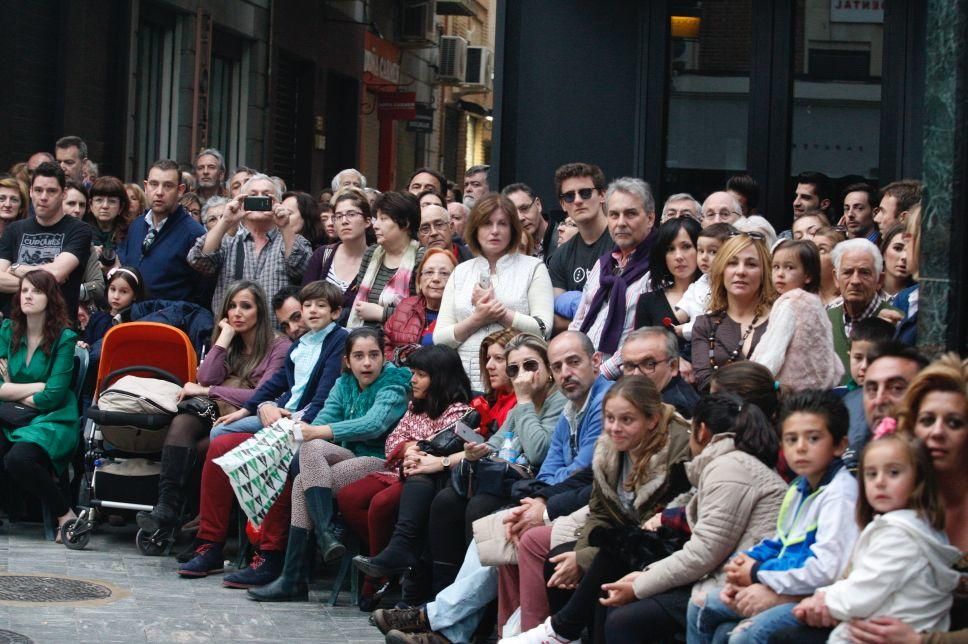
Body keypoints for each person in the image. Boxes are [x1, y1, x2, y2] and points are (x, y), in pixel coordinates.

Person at [500, 375, 692, 644]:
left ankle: (560, 631)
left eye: (627, 420)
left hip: (666, 547)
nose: (614, 428)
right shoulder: (609, 449)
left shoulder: (678, 453)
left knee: (603, 574)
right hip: (624, 540)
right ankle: (564, 635)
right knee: (558, 562)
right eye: (609, 418)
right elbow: (600, 511)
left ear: (652, 420)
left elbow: (657, 527)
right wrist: (579, 556)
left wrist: (585, 559)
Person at [598, 393, 787, 643]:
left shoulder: (729, 468)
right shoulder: (730, 463)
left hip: (734, 584)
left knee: (626, 619)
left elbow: (704, 552)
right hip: (724, 575)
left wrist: (640, 584)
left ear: (702, 431)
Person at [245, 328, 412, 597]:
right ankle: (324, 534)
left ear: (384, 357)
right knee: (310, 452)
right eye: (359, 356)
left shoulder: (394, 384)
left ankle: (294, 578)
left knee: (302, 481)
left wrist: (317, 432)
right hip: (345, 458)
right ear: (347, 360)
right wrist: (314, 431)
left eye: (373, 355)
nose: (367, 363)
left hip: (380, 461)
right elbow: (323, 420)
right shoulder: (343, 383)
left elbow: (373, 424)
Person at [688, 390, 859, 644]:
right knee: (703, 605)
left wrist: (758, 573)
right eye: (791, 439)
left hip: (814, 594)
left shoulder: (840, 494)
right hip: (783, 581)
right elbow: (782, 541)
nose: (800, 448)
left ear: (839, 445)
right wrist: (744, 562)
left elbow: (824, 570)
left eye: (813, 438)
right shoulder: (800, 487)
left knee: (743, 636)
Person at [135, 280, 290, 535]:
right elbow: (206, 377)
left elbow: (260, 395)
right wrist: (224, 338)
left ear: (260, 311)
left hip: (250, 415)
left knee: (201, 448)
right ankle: (166, 506)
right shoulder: (232, 341)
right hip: (217, 410)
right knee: (182, 422)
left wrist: (208, 391)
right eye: (232, 306)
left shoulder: (278, 346)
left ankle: (196, 515)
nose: (237, 313)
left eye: (246, 306)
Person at [427, 333, 568, 591]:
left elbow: (539, 452)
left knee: (479, 507)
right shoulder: (519, 408)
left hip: (535, 487)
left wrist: (524, 400)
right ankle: (441, 591)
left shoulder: (559, 402)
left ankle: (477, 613)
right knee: (445, 502)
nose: (522, 375)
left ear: (548, 369)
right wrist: (475, 451)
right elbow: (495, 444)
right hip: (507, 479)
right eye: (514, 369)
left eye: (530, 365)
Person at [792, 432, 959, 643]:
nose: (880, 482)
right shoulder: (918, 526)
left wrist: (823, 600)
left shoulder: (899, 535)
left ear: (918, 479)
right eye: (871, 474)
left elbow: (864, 592)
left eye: (894, 472)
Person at [343, 346, 473, 593]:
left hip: (422, 477)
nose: (412, 379)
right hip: (399, 469)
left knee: (381, 505)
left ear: (441, 377)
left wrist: (414, 449)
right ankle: (390, 562)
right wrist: (409, 448)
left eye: (421, 374)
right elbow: (392, 440)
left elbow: (438, 447)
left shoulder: (460, 412)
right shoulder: (416, 406)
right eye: (413, 372)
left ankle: (378, 576)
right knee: (348, 497)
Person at [434, 193, 553, 391]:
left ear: (513, 229)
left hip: (517, 385)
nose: (495, 231)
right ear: (475, 228)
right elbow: (440, 338)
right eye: (487, 223)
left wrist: (501, 313)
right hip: (463, 384)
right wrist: (477, 319)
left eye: (503, 224)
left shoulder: (533, 268)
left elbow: (542, 329)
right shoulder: (461, 272)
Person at [209, 281, 347, 440]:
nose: (313, 310)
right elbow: (275, 383)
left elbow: (325, 393)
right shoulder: (299, 344)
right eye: (308, 306)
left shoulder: (339, 339)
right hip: (284, 413)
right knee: (219, 430)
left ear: (335, 313)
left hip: (306, 421)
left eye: (321, 305)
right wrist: (244, 411)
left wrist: (304, 425)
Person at [0, 271, 80, 542]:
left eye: (36, 291)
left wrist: (11, 390)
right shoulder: (7, 330)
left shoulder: (65, 338)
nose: (28, 296)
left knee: (18, 459)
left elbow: (54, 396)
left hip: (52, 418)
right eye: (24, 291)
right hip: (13, 414)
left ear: (51, 297)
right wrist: (36, 386)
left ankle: (65, 514)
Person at [188, 173, 312, 322]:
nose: (259, 198)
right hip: (231, 337)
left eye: (266, 195)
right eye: (253, 195)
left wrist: (285, 225)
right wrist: (225, 221)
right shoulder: (228, 241)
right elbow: (198, 260)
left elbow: (302, 269)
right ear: (242, 202)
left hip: (278, 338)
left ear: (278, 203)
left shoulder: (291, 239)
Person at [570, 177, 659, 370]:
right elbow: (579, 320)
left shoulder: (658, 268)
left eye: (630, 214)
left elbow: (646, 339)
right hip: (583, 372)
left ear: (650, 218)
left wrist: (602, 372)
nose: (621, 223)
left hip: (624, 378)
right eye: (614, 215)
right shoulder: (603, 264)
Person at [0, 162, 92, 321]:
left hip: (57, 331)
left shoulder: (79, 230)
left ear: (63, 194)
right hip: (15, 328)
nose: (43, 197)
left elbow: (56, 273)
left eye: (51, 191)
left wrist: (15, 267)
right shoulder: (14, 230)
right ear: (30, 192)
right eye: (38, 190)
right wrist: (47, 283)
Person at [751, 239, 843, 390]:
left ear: (808, 275)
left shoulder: (790, 303)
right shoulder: (814, 302)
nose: (780, 274)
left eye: (789, 267)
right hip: (819, 389)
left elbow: (773, 351)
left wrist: (754, 381)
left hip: (792, 390)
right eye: (776, 267)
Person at [690, 233, 774, 392]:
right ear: (721, 270)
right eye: (732, 263)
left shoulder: (781, 319)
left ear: (764, 273)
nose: (741, 271)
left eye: (751, 264)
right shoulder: (705, 325)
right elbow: (705, 382)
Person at [118, 159, 207, 304]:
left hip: (168, 321)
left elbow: (202, 293)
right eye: (154, 184)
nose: (159, 192)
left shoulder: (194, 233)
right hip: (131, 318)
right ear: (146, 187)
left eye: (168, 186)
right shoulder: (136, 225)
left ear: (180, 190)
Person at [547, 163, 613, 331]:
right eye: (569, 196)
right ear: (563, 204)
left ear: (602, 195)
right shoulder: (560, 255)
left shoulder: (621, 241)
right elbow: (553, 319)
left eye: (585, 193)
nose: (577, 200)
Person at [827, 238, 902, 384]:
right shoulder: (825, 321)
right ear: (836, 279)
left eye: (864, 273)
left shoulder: (897, 323)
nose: (855, 281)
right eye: (848, 272)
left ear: (880, 280)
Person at [347, 192, 425, 329]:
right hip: (362, 335)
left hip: (398, 339)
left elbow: (423, 311)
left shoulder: (421, 258)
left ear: (405, 223)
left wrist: (383, 313)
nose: (375, 225)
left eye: (383, 219)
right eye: (376, 218)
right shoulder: (372, 253)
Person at [633, 216, 702, 369]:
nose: (678, 256)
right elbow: (640, 353)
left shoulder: (718, 297)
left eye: (686, 246)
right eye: (670, 249)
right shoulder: (648, 301)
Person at [302, 187, 372, 317]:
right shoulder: (322, 255)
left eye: (351, 214)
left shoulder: (376, 261)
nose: (344, 221)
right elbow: (305, 299)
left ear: (367, 221)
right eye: (338, 216)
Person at [383, 248, 457, 364]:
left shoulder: (461, 312)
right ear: (419, 281)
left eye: (444, 273)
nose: (436, 279)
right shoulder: (405, 306)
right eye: (429, 272)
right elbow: (384, 345)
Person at [618, 327, 699, 418]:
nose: (636, 374)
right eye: (629, 366)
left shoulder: (676, 411)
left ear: (673, 366)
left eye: (649, 364)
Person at [674, 223, 734, 342]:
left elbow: (716, 324)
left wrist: (685, 329)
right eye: (701, 251)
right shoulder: (698, 285)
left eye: (712, 252)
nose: (704, 257)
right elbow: (681, 314)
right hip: (691, 343)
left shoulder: (729, 289)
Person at [80, 267, 147, 364]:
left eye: (124, 292)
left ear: (135, 295)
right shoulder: (97, 317)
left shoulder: (133, 322)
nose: (116, 296)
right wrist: (83, 345)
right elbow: (87, 341)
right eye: (113, 289)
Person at [84, 176, 131, 272]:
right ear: (91, 205)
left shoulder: (131, 233)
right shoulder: (81, 232)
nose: (105, 206)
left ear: (121, 207)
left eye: (112, 201)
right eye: (99, 200)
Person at [503, 183, 560, 261]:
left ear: (538, 204)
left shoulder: (564, 240)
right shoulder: (508, 249)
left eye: (524, 208)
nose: (520, 218)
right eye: (512, 213)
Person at [813, 225, 847, 306]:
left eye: (821, 249)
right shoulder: (803, 297)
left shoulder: (848, 301)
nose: (812, 254)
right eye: (812, 248)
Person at [879, 223, 913, 298]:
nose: (905, 257)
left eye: (911, 251)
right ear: (884, 252)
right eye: (897, 248)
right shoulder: (868, 290)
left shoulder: (918, 297)